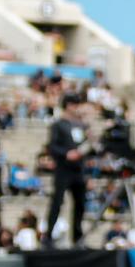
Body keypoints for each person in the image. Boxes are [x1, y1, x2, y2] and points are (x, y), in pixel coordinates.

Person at [44, 95, 96, 247]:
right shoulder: (58, 124)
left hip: (79, 170)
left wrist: (90, 143)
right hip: (63, 169)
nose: (77, 108)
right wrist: (66, 154)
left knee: (80, 203)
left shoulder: (82, 126)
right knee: (57, 202)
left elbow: (88, 148)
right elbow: (52, 146)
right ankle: (48, 236)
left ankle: (78, 238)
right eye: (74, 104)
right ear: (68, 105)